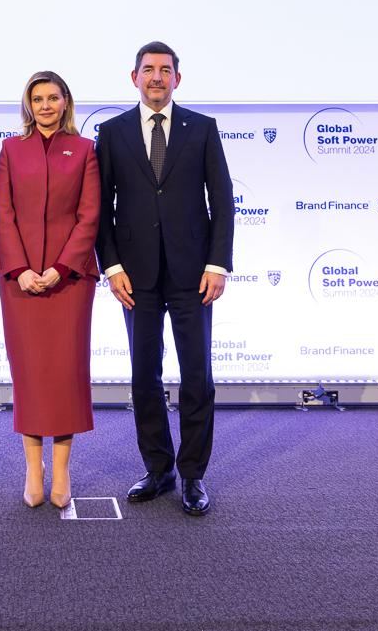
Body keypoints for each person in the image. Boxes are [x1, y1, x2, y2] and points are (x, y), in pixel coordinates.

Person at [96, 41, 234, 516]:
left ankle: (193, 474)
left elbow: (222, 200)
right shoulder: (111, 132)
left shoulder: (203, 128)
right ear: (133, 77)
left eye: (165, 69)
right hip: (135, 276)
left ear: (178, 78)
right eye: (148, 69)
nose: (156, 77)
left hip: (194, 273)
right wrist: (112, 267)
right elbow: (102, 208)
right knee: (143, 375)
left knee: (197, 374)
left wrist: (217, 264)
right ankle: (159, 469)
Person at [0, 71, 101, 509]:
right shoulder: (10, 149)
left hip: (69, 281)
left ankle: (62, 470)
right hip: (19, 280)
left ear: (65, 102)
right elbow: (3, 213)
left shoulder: (86, 150)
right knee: (31, 373)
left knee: (65, 373)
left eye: (53, 98)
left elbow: (89, 216)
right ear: (28, 105)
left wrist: (60, 268)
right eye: (37, 99)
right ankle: (33, 471)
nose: (46, 106)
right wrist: (19, 269)